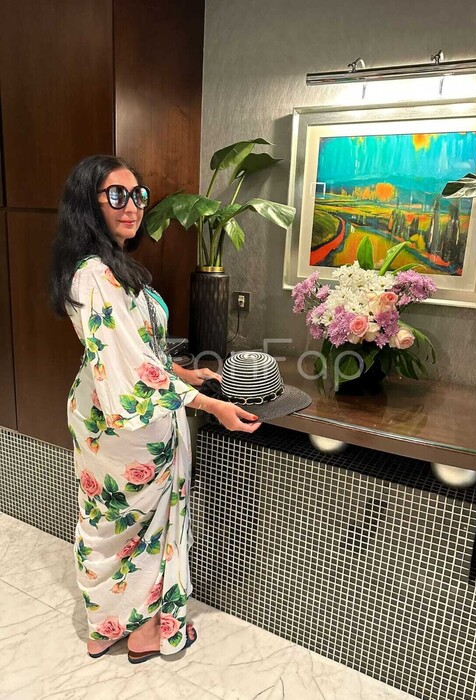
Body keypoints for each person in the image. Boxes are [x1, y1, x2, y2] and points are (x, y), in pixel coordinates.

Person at [50, 155, 261, 663]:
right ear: (88, 204)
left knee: (109, 522)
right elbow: (128, 367)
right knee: (143, 527)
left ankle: (104, 627)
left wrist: (182, 374)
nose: (132, 207)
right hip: (128, 421)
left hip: (101, 412)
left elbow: (135, 350)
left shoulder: (109, 268)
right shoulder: (97, 275)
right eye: (116, 195)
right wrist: (211, 404)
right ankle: (146, 632)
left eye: (138, 195)